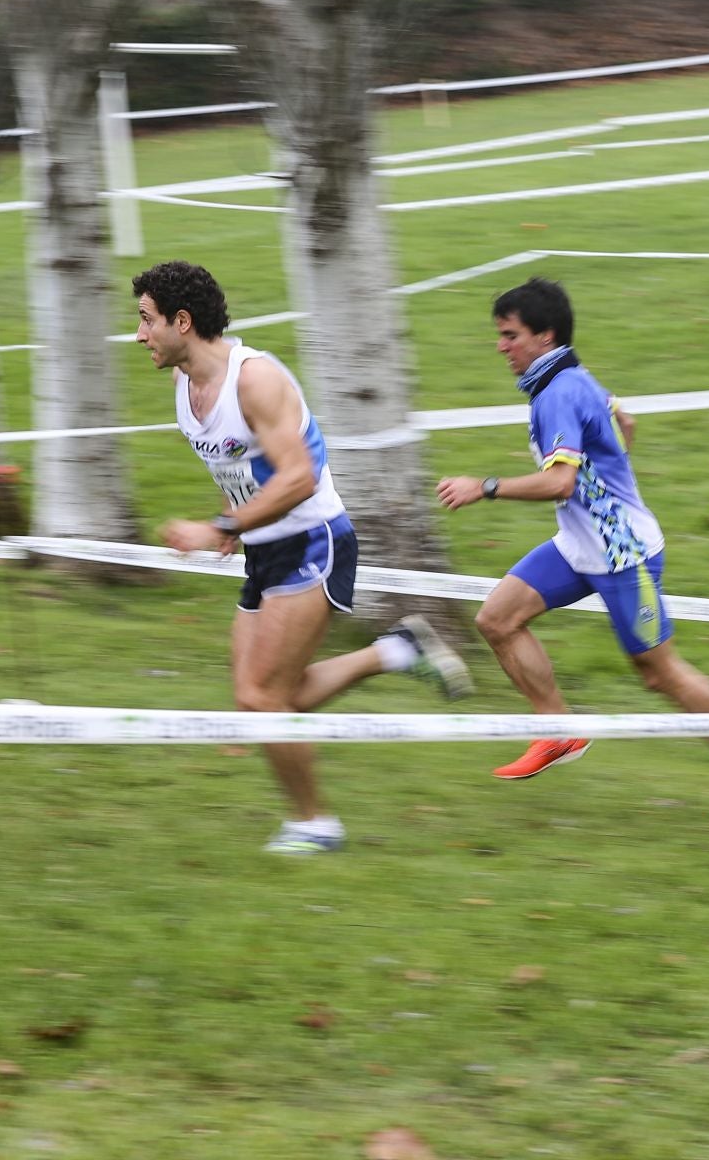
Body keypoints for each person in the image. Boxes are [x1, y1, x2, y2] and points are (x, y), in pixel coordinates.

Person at [133, 260, 472, 855]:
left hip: (315, 539)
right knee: (255, 700)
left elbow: (298, 477)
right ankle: (398, 651)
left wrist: (219, 526)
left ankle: (316, 825)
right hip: (265, 547)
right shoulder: (185, 387)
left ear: (181, 322)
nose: (139, 335)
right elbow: (234, 463)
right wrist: (234, 526)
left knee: (265, 698)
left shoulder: (255, 379)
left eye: (146, 320)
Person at [435, 278, 709, 824]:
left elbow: (560, 484)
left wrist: (486, 486)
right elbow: (625, 419)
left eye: (510, 335)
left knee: (658, 673)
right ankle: (558, 731)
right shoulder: (570, 375)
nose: (501, 346)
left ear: (544, 336)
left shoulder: (557, 393)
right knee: (497, 619)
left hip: (625, 556)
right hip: (579, 547)